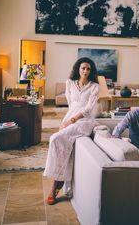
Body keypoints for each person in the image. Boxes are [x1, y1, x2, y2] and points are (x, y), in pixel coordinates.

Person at [44, 57, 100, 205]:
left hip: (85, 121)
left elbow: (88, 108)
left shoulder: (95, 86)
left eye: (88, 69)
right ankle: (58, 181)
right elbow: (71, 104)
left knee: (55, 139)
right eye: (83, 68)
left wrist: (72, 120)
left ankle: (56, 183)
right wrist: (66, 121)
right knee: (62, 144)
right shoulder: (69, 83)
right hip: (70, 117)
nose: (86, 71)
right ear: (78, 69)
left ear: (91, 70)